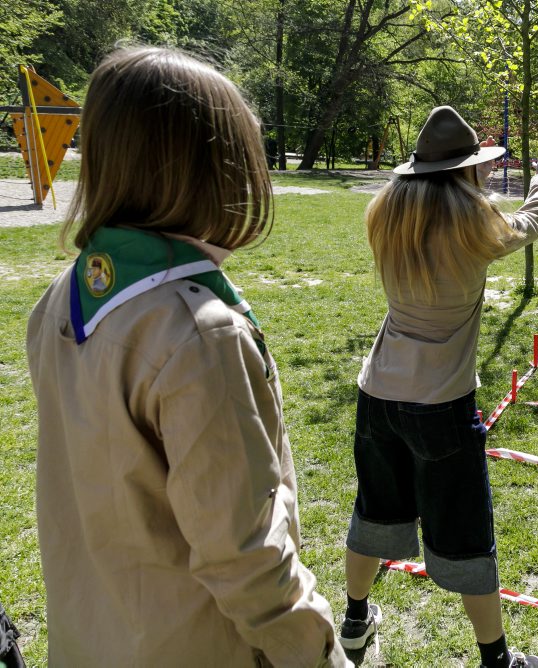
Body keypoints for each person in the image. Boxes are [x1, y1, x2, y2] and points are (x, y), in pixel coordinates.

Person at [25, 47, 349, 667]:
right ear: (209, 171)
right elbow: (249, 560)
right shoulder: (201, 334)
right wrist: (323, 657)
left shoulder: (64, 295)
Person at [343, 105, 538, 668]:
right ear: (463, 171)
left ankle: (355, 621)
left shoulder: (386, 215)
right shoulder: (474, 226)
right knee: (465, 532)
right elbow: (530, 223)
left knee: (374, 514)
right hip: (441, 405)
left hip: (377, 395)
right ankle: (497, 659)